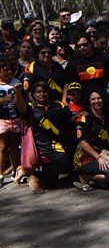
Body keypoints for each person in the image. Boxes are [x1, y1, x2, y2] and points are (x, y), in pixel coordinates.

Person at [25, 80, 74, 194]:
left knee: (51, 182)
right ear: (33, 94)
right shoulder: (30, 108)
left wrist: (77, 116)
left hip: (60, 143)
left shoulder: (58, 105)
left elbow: (69, 118)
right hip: (43, 146)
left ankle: (41, 178)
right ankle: (35, 176)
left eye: (45, 91)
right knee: (67, 163)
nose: (42, 94)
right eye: (38, 92)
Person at [73, 91, 109, 190]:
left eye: (99, 98)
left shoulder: (107, 114)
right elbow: (82, 142)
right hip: (87, 157)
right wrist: (99, 158)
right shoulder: (83, 118)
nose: (96, 101)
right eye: (93, 99)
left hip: (105, 153)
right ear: (89, 101)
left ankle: (103, 177)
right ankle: (85, 177)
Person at [65, 33, 109, 101]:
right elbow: (67, 81)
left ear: (90, 44)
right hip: (83, 100)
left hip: (103, 98)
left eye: (85, 44)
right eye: (79, 46)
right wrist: (64, 99)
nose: (82, 47)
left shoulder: (103, 57)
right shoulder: (73, 62)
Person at [0, 57, 24, 185]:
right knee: (2, 147)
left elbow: (22, 103)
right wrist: (2, 100)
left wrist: (18, 93)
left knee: (14, 146)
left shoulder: (16, 82)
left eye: (10, 70)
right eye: (5, 70)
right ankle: (0, 174)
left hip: (15, 117)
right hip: (1, 119)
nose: (9, 72)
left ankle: (16, 171)